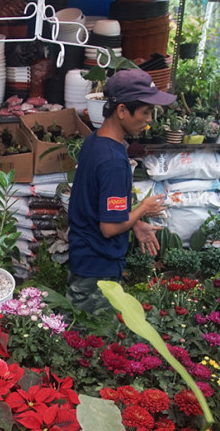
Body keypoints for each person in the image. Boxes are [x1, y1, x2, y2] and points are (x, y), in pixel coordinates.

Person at [67, 69, 174, 313]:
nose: (149, 120)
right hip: (98, 268)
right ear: (122, 110)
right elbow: (110, 228)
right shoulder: (114, 161)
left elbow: (100, 203)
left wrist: (135, 223)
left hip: (85, 260)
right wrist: (143, 209)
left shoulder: (95, 141)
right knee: (91, 340)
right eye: (145, 112)